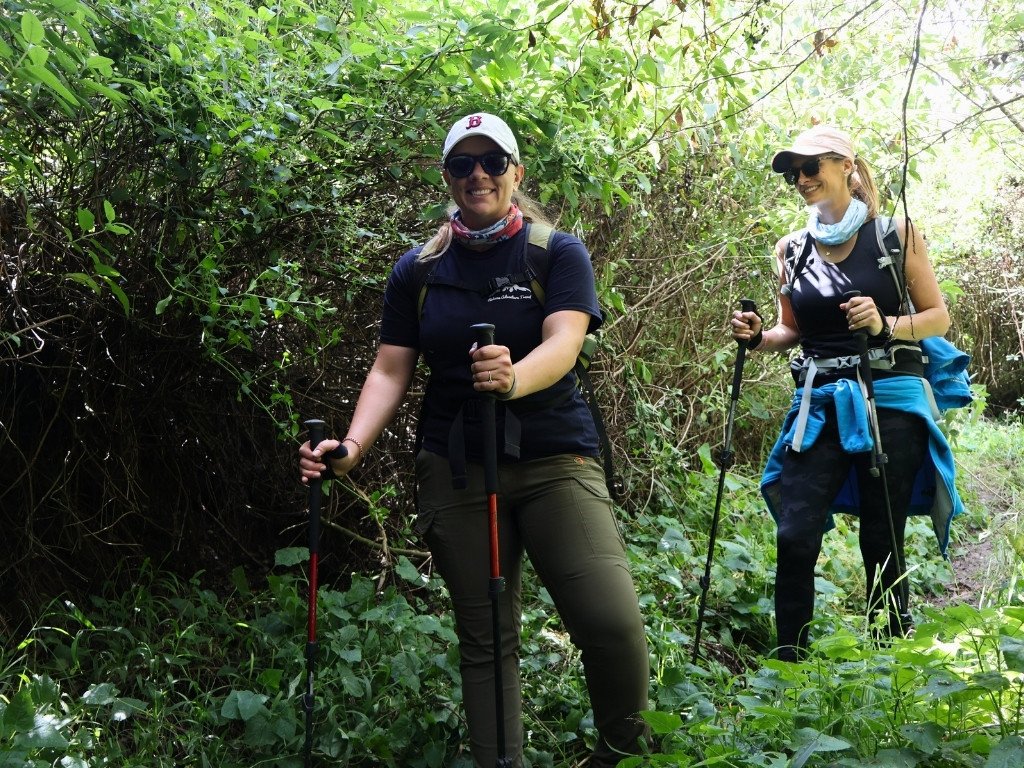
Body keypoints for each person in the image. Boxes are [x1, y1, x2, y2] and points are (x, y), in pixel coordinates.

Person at [299, 112, 649, 766]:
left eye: (492, 162)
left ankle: (621, 754)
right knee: (487, 637)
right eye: (463, 165)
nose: (478, 175)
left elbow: (565, 342)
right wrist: (350, 449)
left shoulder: (555, 252)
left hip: (552, 455)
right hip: (456, 465)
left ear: (517, 172)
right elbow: (390, 368)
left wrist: (513, 379)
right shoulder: (419, 270)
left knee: (610, 622)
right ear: (448, 178)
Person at [730, 124, 964, 661]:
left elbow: (938, 317)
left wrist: (885, 323)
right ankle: (789, 662)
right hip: (821, 400)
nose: (801, 179)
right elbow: (792, 329)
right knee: (794, 532)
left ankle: (889, 660)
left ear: (845, 167)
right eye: (794, 173)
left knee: (883, 535)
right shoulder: (790, 249)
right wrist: (758, 335)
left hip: (890, 395)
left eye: (811, 167)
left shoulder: (894, 234)